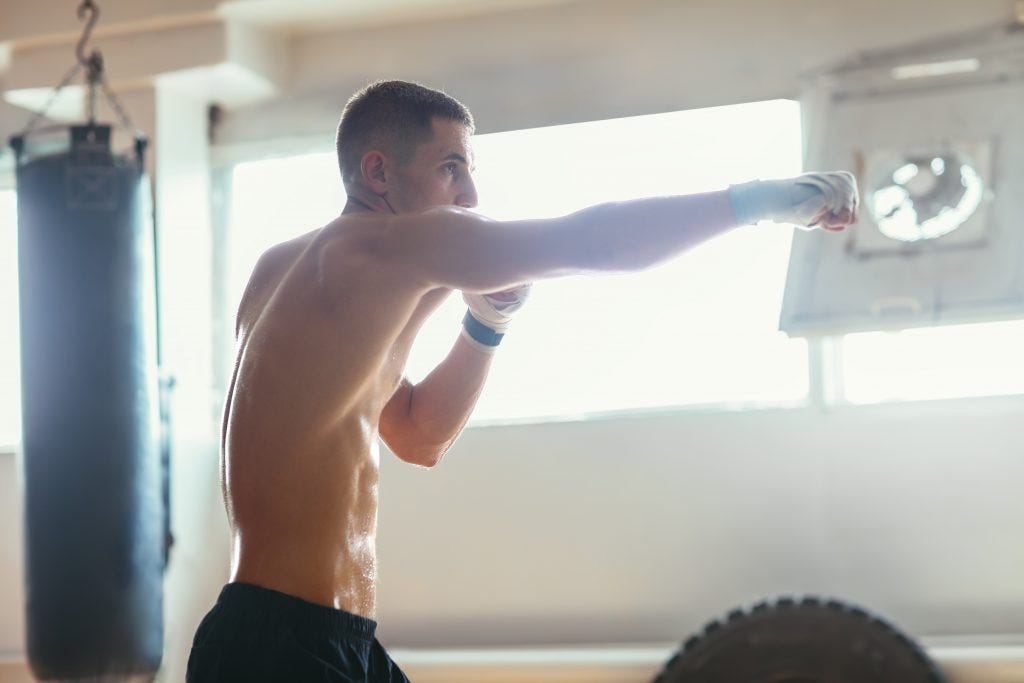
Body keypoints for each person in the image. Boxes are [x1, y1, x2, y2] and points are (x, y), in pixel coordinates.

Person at [186, 79, 858, 682]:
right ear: (377, 171)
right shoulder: (384, 248)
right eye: (452, 169)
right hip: (283, 646)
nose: (470, 197)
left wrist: (486, 324)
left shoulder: (298, 270)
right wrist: (767, 202)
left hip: (316, 638)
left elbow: (419, 434)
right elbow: (595, 242)